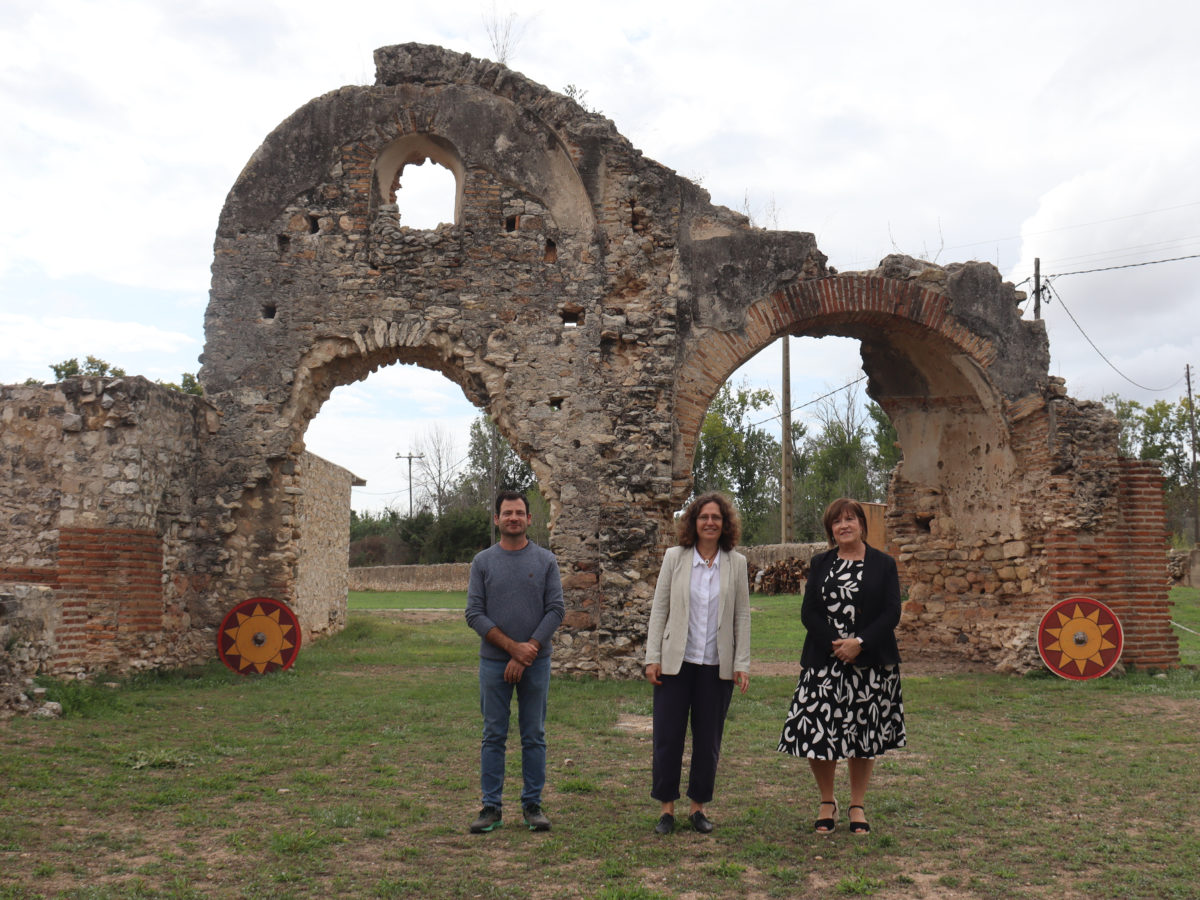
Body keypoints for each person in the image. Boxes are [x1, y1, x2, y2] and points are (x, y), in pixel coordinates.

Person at [777, 497, 906, 835]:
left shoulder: (883, 564)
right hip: (825, 661)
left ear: (862, 524)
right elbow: (809, 613)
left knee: (864, 733)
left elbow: (892, 612)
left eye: (850, 519)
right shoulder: (820, 563)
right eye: (837, 522)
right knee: (818, 732)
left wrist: (859, 643)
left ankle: (857, 804)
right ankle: (826, 800)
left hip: (870, 663)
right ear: (831, 530)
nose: (844, 525)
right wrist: (837, 645)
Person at [644, 492, 750, 835]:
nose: (709, 523)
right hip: (676, 663)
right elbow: (660, 609)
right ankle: (667, 810)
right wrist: (652, 658)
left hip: (716, 665)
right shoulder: (675, 558)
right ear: (693, 521)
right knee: (667, 737)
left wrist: (741, 663)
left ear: (725, 524)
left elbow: (742, 617)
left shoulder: (737, 563)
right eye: (703, 517)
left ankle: (698, 808)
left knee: (708, 740)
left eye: (716, 518)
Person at [465, 490, 565, 834]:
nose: (513, 518)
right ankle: (491, 807)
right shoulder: (483, 562)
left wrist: (529, 650)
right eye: (507, 513)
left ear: (529, 519)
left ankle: (532, 805)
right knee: (493, 734)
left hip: (536, 663)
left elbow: (556, 610)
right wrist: (512, 649)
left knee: (533, 735)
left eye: (519, 513)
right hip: (494, 663)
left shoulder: (546, 561)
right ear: (497, 520)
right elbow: (474, 613)